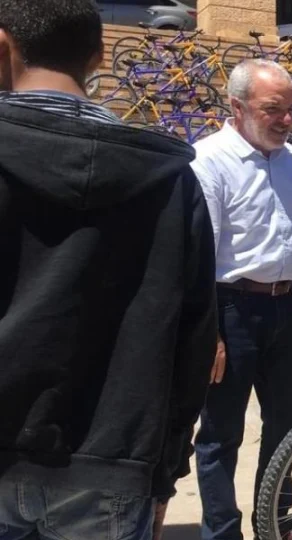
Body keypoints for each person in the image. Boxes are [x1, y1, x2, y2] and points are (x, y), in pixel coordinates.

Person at [0, 0, 216, 537]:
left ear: (3, 46)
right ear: (99, 56)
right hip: (114, 466)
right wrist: (165, 470)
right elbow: (194, 339)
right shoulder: (170, 181)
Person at [189, 59, 292, 540]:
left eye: (291, 110)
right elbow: (199, 252)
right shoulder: (208, 161)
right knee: (222, 432)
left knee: (287, 423)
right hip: (230, 309)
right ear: (237, 107)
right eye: (273, 109)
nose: (286, 120)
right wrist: (210, 333)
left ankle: (275, 522)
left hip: (284, 306)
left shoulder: (291, 159)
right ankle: (222, 531)